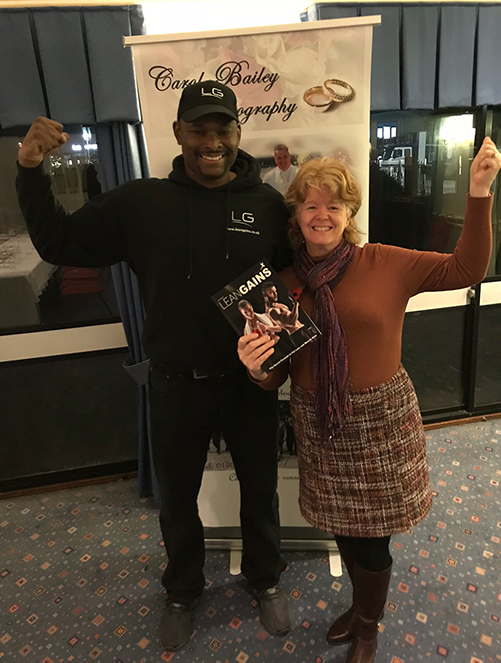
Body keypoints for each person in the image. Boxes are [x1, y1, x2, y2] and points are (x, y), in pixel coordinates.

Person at [15, 80, 293, 652]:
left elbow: (297, 279)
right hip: (176, 384)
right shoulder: (141, 202)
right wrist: (29, 170)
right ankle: (182, 590)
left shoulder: (266, 204)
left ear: (239, 134)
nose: (211, 142)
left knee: (261, 490)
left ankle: (265, 579)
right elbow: (61, 241)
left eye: (222, 129)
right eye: (199, 130)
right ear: (177, 134)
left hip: (249, 384)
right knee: (177, 498)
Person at [238, 140, 501, 663]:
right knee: (341, 526)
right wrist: (256, 368)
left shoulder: (385, 263)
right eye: (311, 204)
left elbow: (466, 270)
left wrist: (478, 194)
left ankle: (367, 625)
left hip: (381, 420)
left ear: (349, 212)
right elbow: (276, 377)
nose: (322, 214)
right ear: (296, 215)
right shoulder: (282, 288)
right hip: (319, 420)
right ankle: (360, 608)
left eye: (333, 204)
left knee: (374, 541)